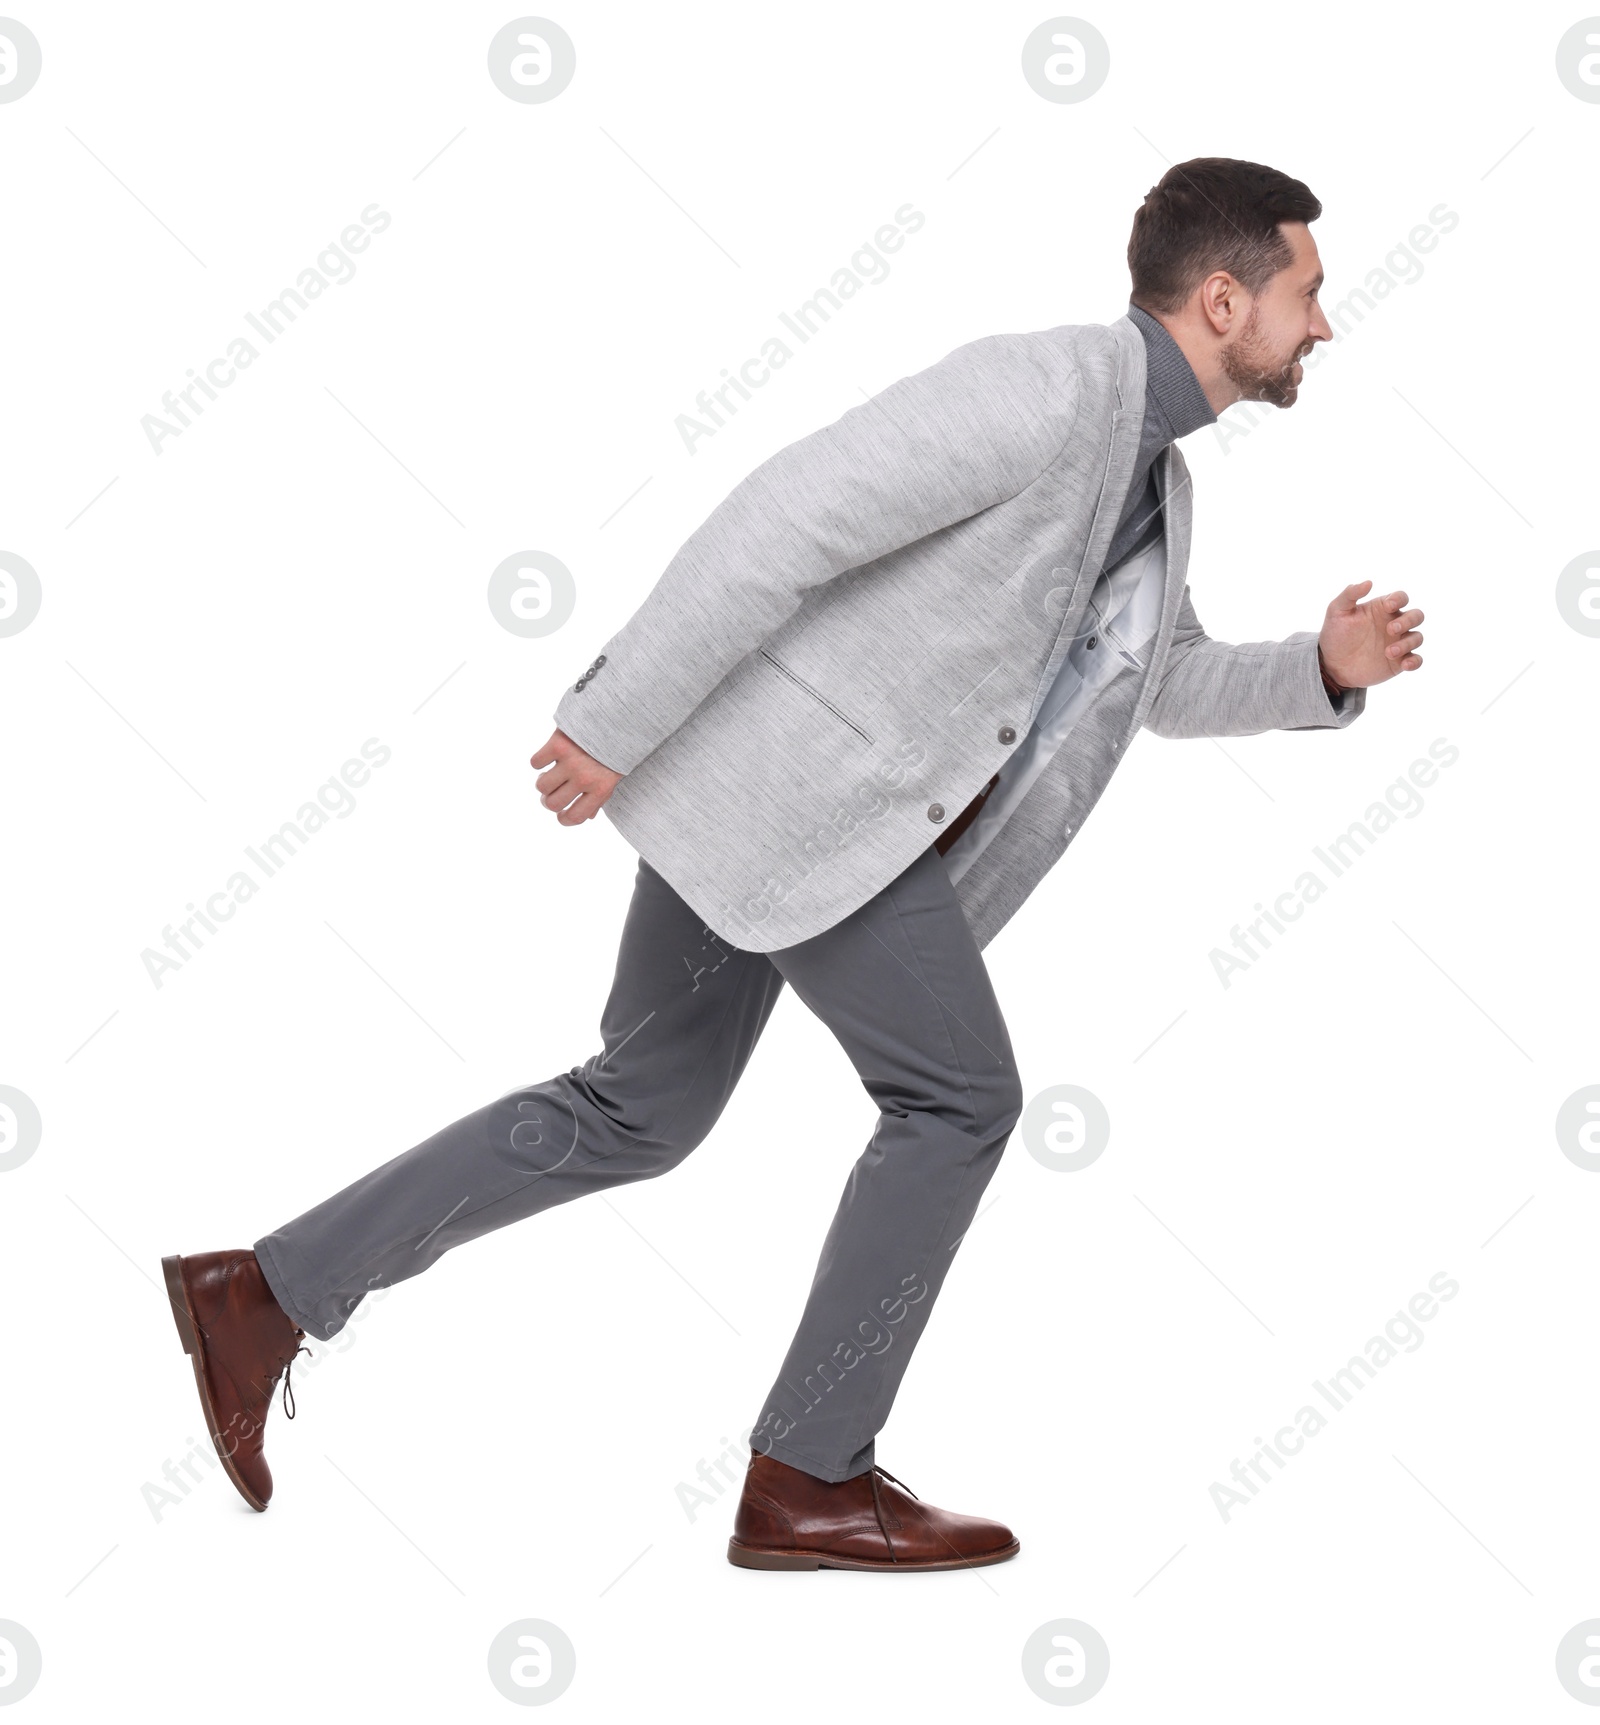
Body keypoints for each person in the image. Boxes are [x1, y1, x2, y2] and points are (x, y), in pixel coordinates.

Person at [162, 157, 1423, 1572]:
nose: (1322, 322)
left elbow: (1158, 674)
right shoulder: (1049, 390)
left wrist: (1317, 668)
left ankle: (265, 1290)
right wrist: (613, 717)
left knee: (640, 1105)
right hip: (820, 806)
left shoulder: (1157, 480)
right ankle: (808, 1473)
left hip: (807, 825)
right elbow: (792, 516)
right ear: (1220, 295)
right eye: (1307, 290)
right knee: (959, 1097)